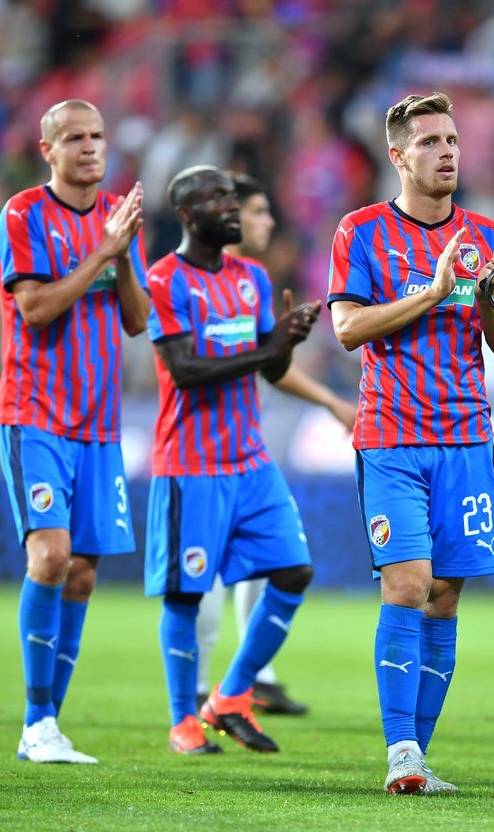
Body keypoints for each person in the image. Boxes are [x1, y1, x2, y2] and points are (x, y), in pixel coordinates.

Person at [327, 92, 494, 795]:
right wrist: (437, 288)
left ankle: (418, 759)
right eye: (431, 142)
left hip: (466, 440)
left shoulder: (487, 234)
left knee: (445, 596)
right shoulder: (361, 232)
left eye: (452, 140)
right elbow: (348, 329)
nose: (447, 152)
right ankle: (402, 755)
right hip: (391, 437)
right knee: (407, 584)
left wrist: (485, 300)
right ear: (399, 155)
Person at [0, 98, 149, 765]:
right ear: (47, 149)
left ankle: (47, 724)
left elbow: (137, 320)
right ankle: (34, 721)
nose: (91, 147)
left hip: (98, 426)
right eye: (76, 138)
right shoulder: (24, 213)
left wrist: (125, 256)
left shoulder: (117, 217)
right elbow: (34, 308)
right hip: (37, 417)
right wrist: (101, 253)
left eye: (98, 135)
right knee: (50, 558)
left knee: (82, 574)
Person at [144, 165, 319, 756]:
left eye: (231, 198)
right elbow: (186, 370)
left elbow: (268, 368)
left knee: (294, 571)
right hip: (190, 465)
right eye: (215, 200)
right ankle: (182, 720)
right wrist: (265, 350)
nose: (230, 208)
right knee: (186, 595)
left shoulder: (250, 277)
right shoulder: (165, 279)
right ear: (188, 215)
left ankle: (232, 694)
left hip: (250, 460)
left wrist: (284, 343)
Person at [194, 172, 357, 716]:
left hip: (245, 446)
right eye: (259, 211)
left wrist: (318, 387)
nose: (268, 222)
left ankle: (253, 677)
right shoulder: (191, 277)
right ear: (228, 215)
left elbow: (270, 365)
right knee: (208, 569)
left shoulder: (250, 280)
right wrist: (323, 396)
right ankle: (195, 693)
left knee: (271, 559)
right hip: (196, 450)